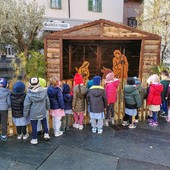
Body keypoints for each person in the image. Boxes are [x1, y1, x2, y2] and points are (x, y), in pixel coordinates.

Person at [24, 77, 50, 145]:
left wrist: (25, 114)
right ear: (38, 83)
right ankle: (46, 134)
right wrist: (47, 108)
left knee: (34, 125)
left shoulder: (29, 94)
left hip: (34, 113)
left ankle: (34, 139)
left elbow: (26, 105)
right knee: (44, 123)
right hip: (42, 111)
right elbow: (47, 101)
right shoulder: (44, 91)